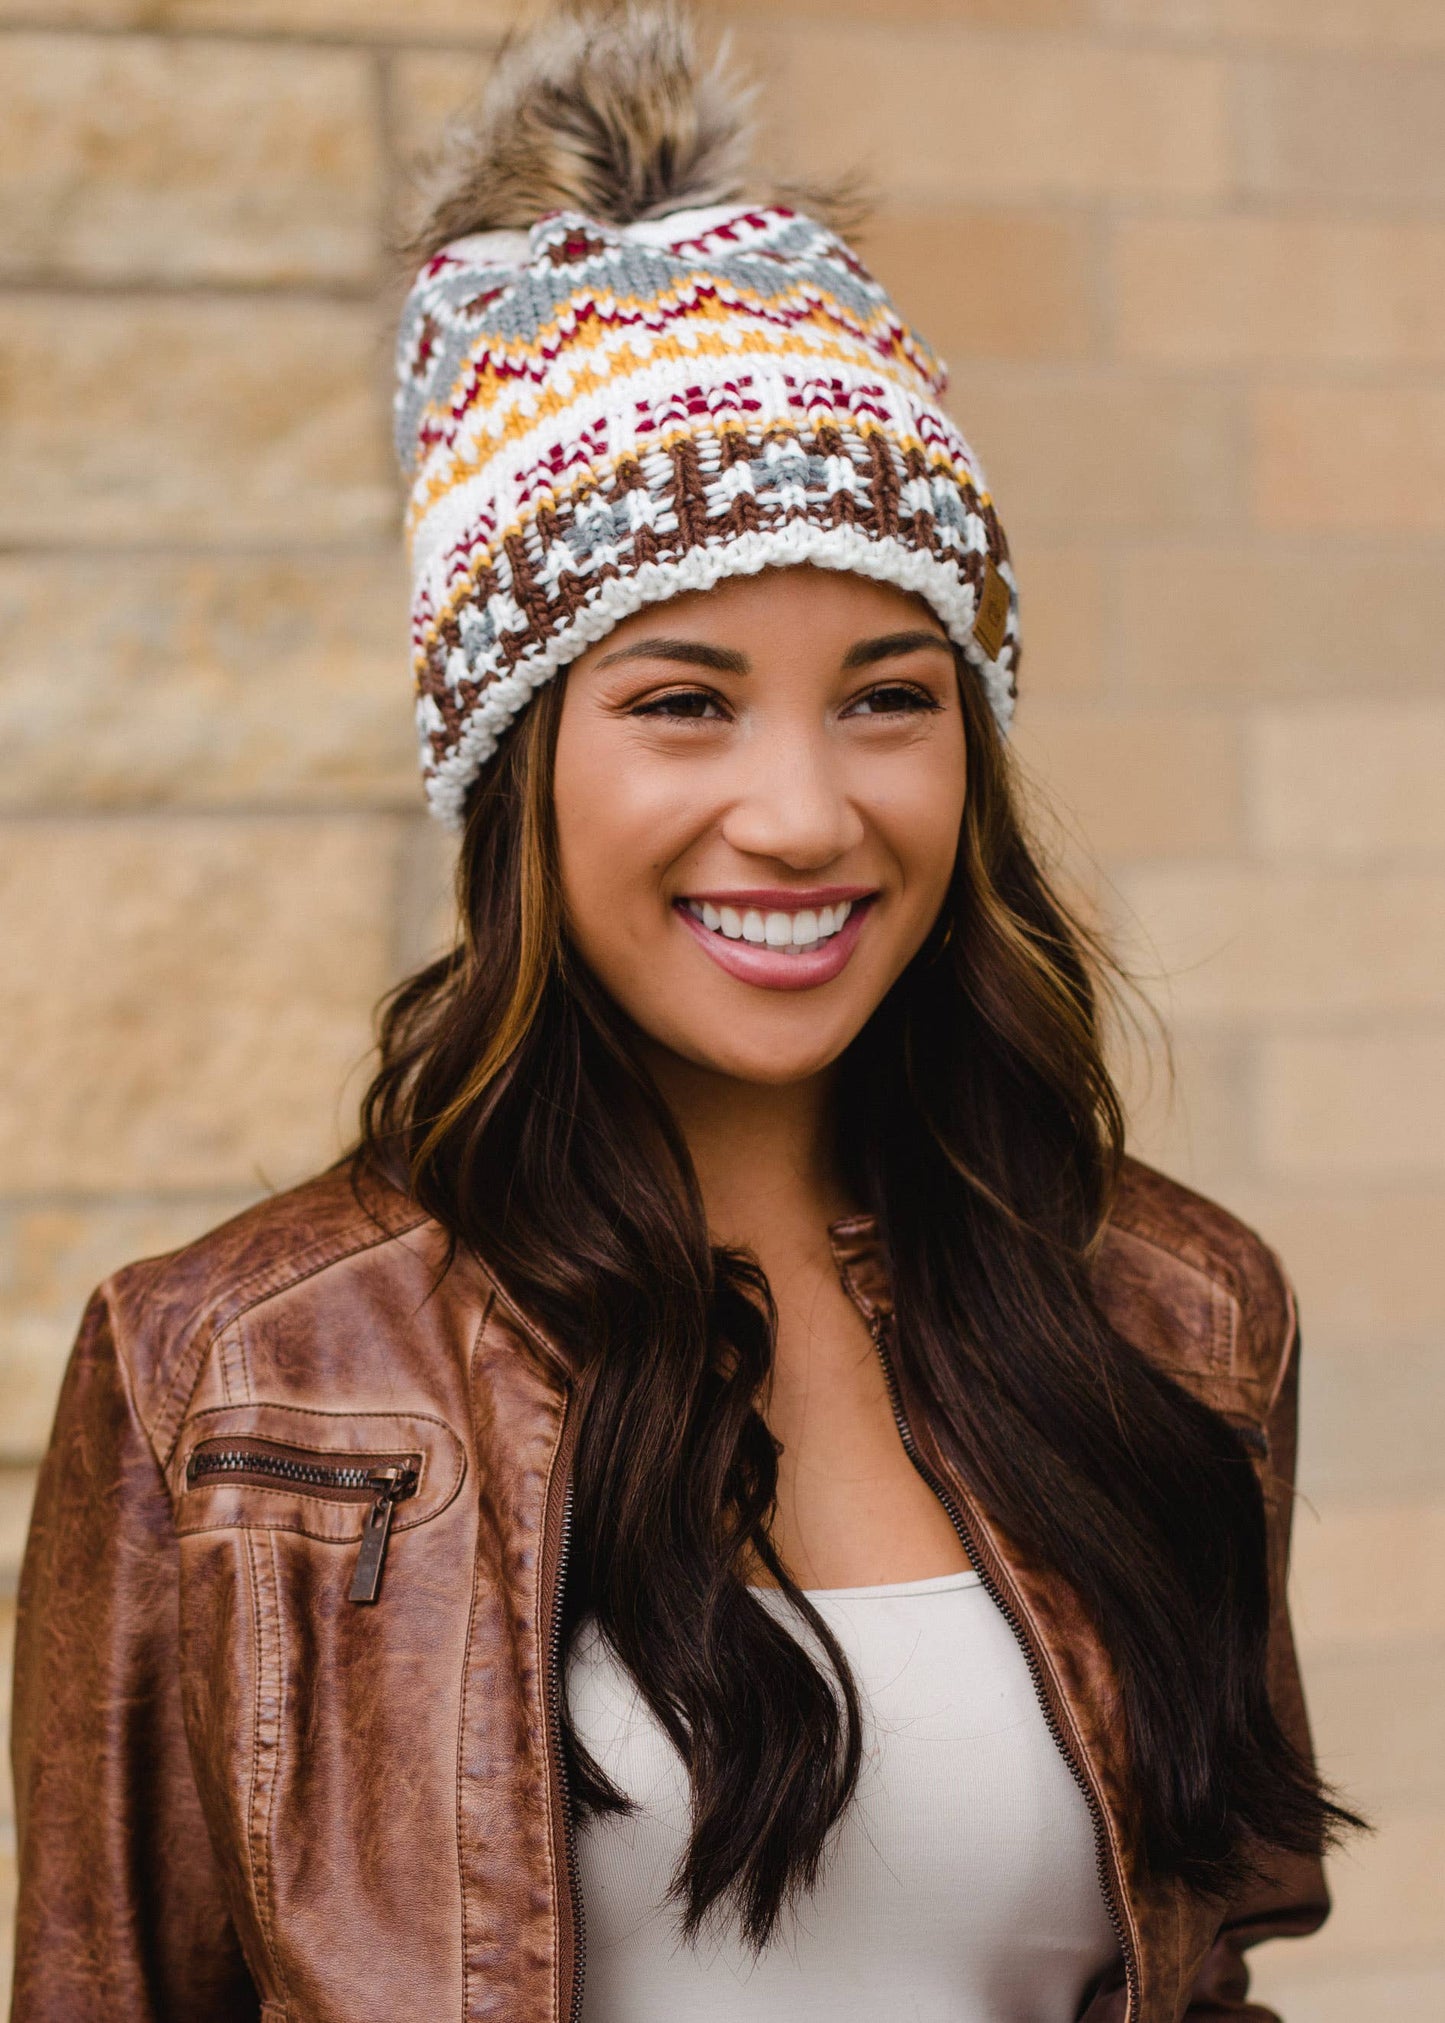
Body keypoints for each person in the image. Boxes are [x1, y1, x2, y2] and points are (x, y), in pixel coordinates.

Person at [9, 5, 1357, 2019]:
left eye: (893, 694)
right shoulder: (233, 1383)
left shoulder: (1167, 1316)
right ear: (517, 766)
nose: (807, 812)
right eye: (685, 700)